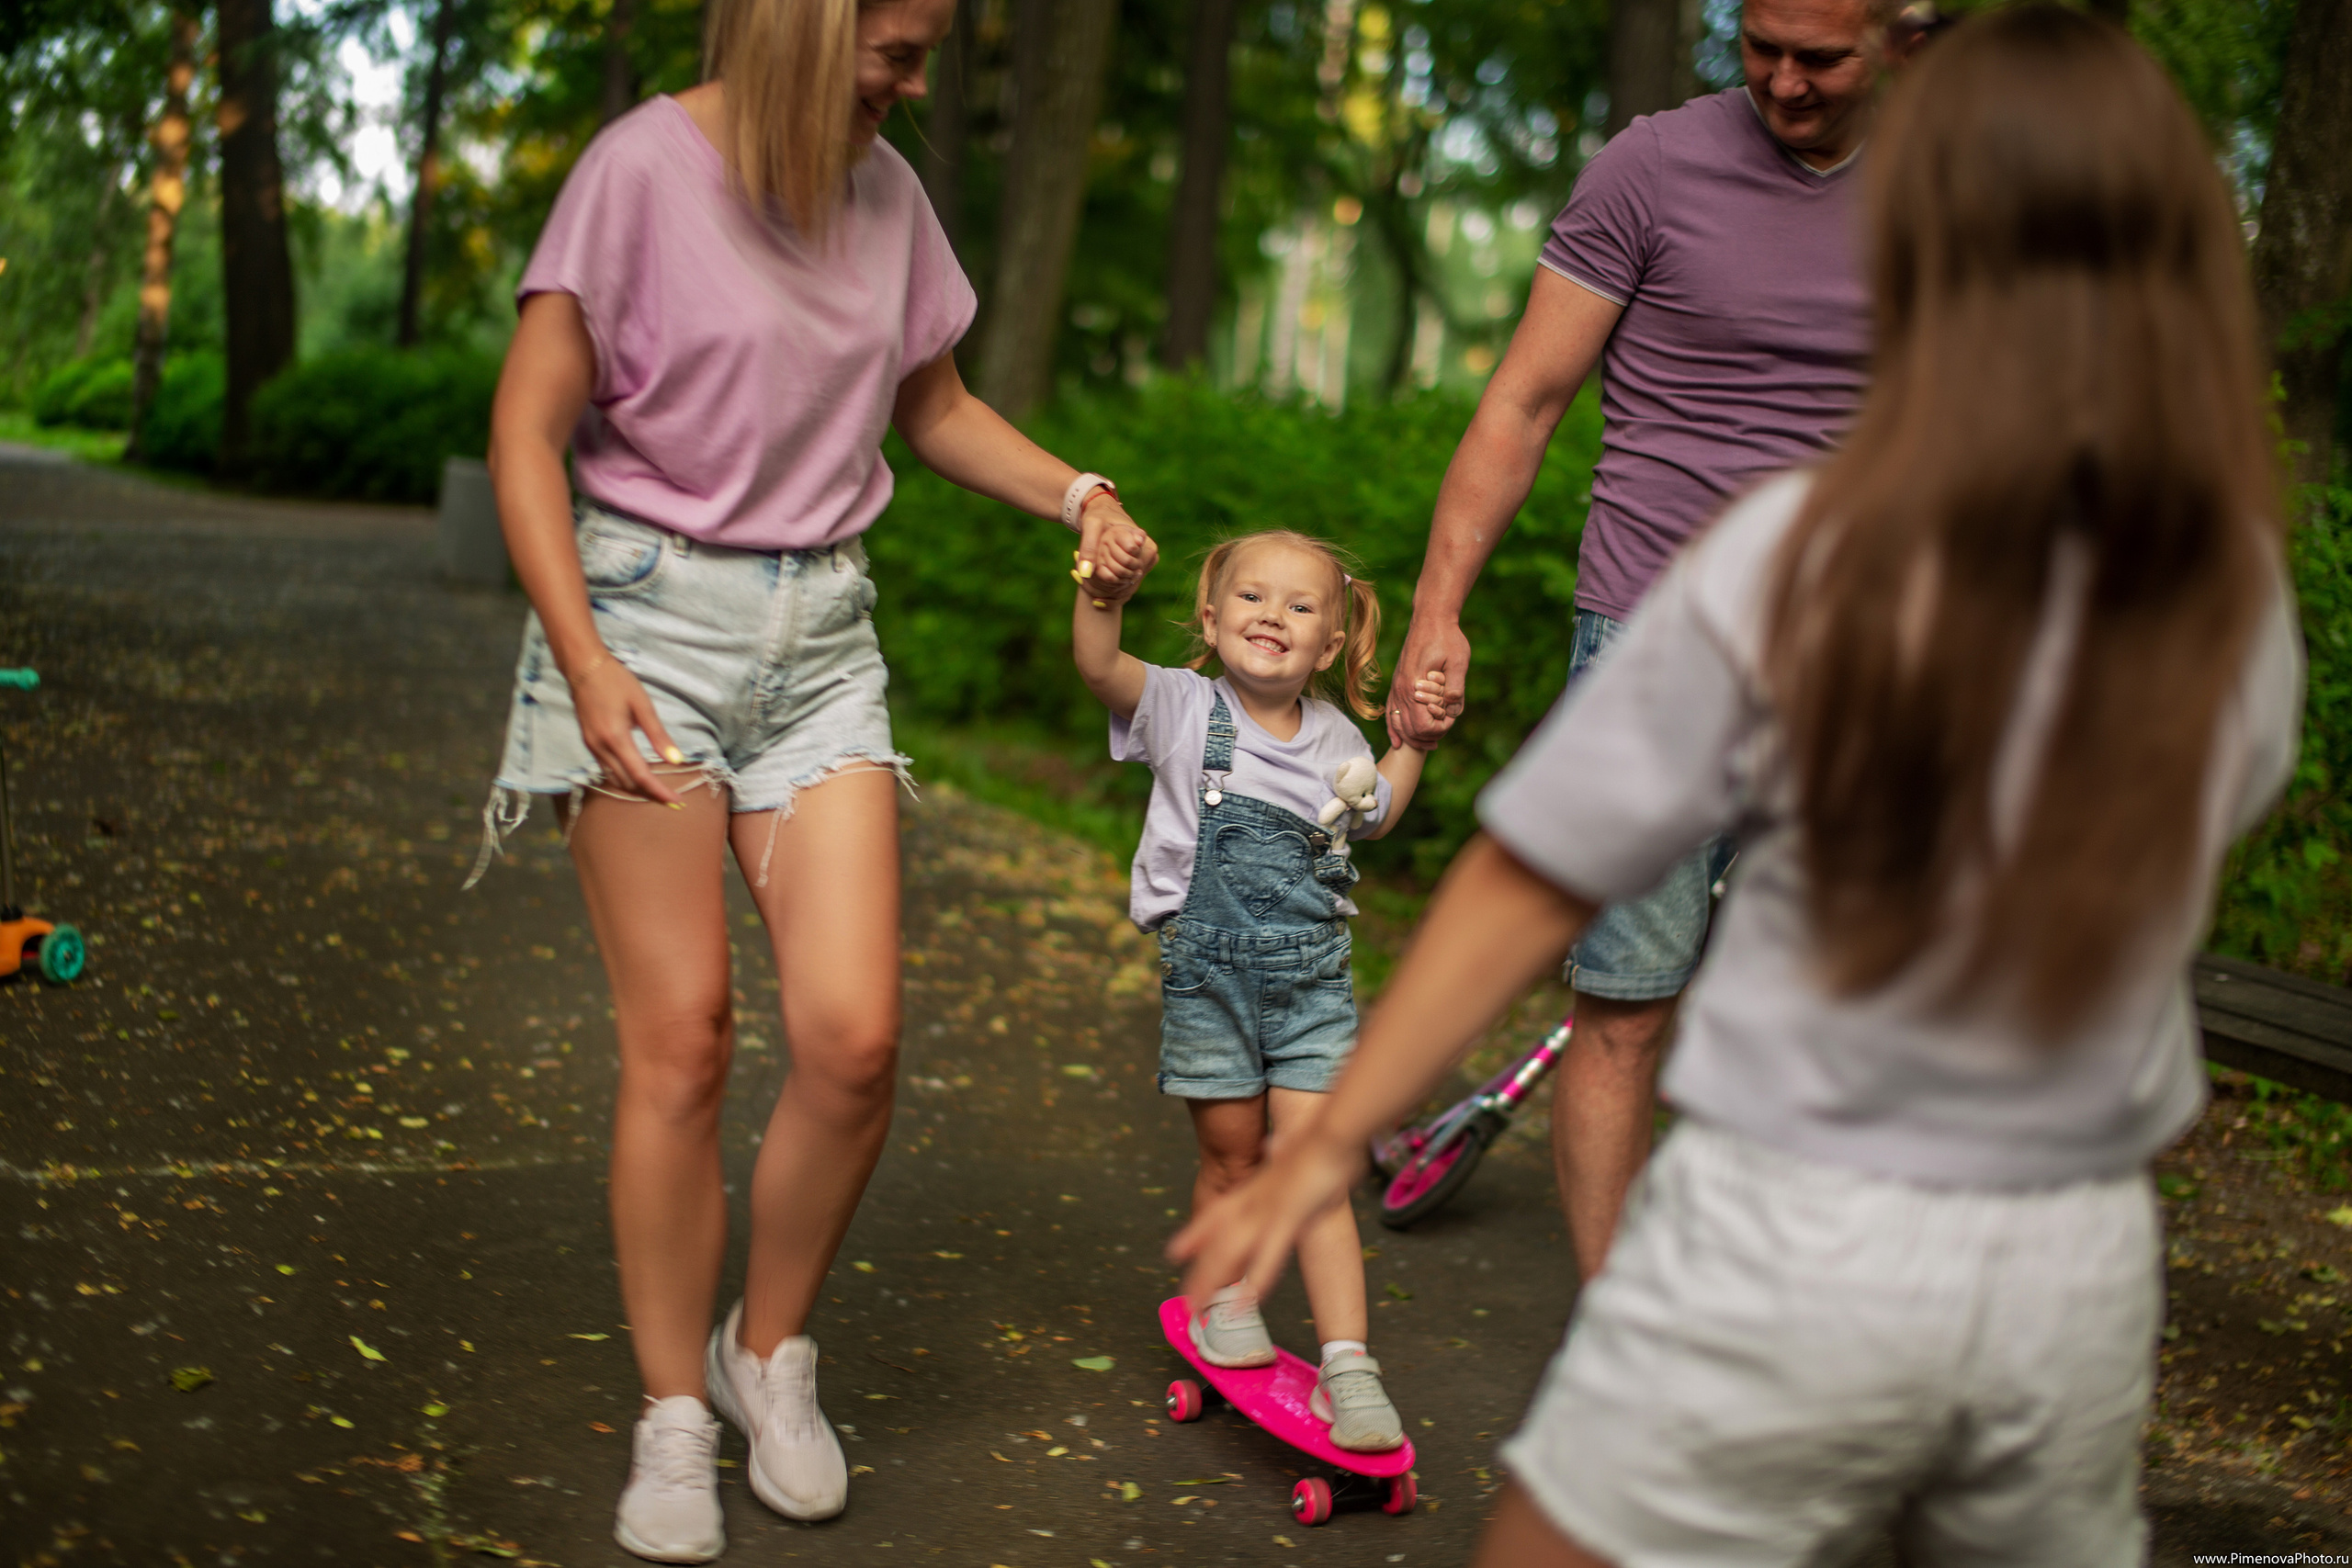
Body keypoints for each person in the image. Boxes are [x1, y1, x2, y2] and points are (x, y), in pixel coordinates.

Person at [1176, 8, 2301, 1563]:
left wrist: (1318, 1143)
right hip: (2076, 1270)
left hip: (1799, 1232)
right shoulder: (2230, 594)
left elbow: (1525, 879)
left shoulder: (1800, 557)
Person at [474, 0, 1158, 1557]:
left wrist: (1076, 490)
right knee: (688, 1038)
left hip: (822, 636)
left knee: (853, 1040)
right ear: (798, 26)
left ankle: (764, 1350)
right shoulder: (641, 172)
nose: (918, 85)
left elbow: (931, 406)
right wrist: (583, 658)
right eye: (898, 53)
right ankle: (669, 1412)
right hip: (645, 618)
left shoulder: (888, 193)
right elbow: (527, 431)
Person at [1389, 0, 1917, 1281]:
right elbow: (1522, 405)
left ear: (1901, 40)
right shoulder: (1655, 165)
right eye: (1761, 49)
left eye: (1822, 59)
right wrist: (1433, 610)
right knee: (1624, 1010)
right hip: (1654, 644)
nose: (1785, 83)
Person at [1072, 530, 1450, 1450]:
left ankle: (1348, 1364)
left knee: (1313, 1171)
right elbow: (1096, 665)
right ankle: (1227, 1299)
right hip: (1207, 982)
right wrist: (1102, 593)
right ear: (1210, 617)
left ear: (1328, 646)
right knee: (1234, 1158)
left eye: (1299, 605)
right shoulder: (1179, 705)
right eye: (1251, 597)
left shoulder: (1337, 739)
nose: (1270, 615)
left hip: (1311, 984)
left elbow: (1376, 815)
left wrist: (1415, 743)